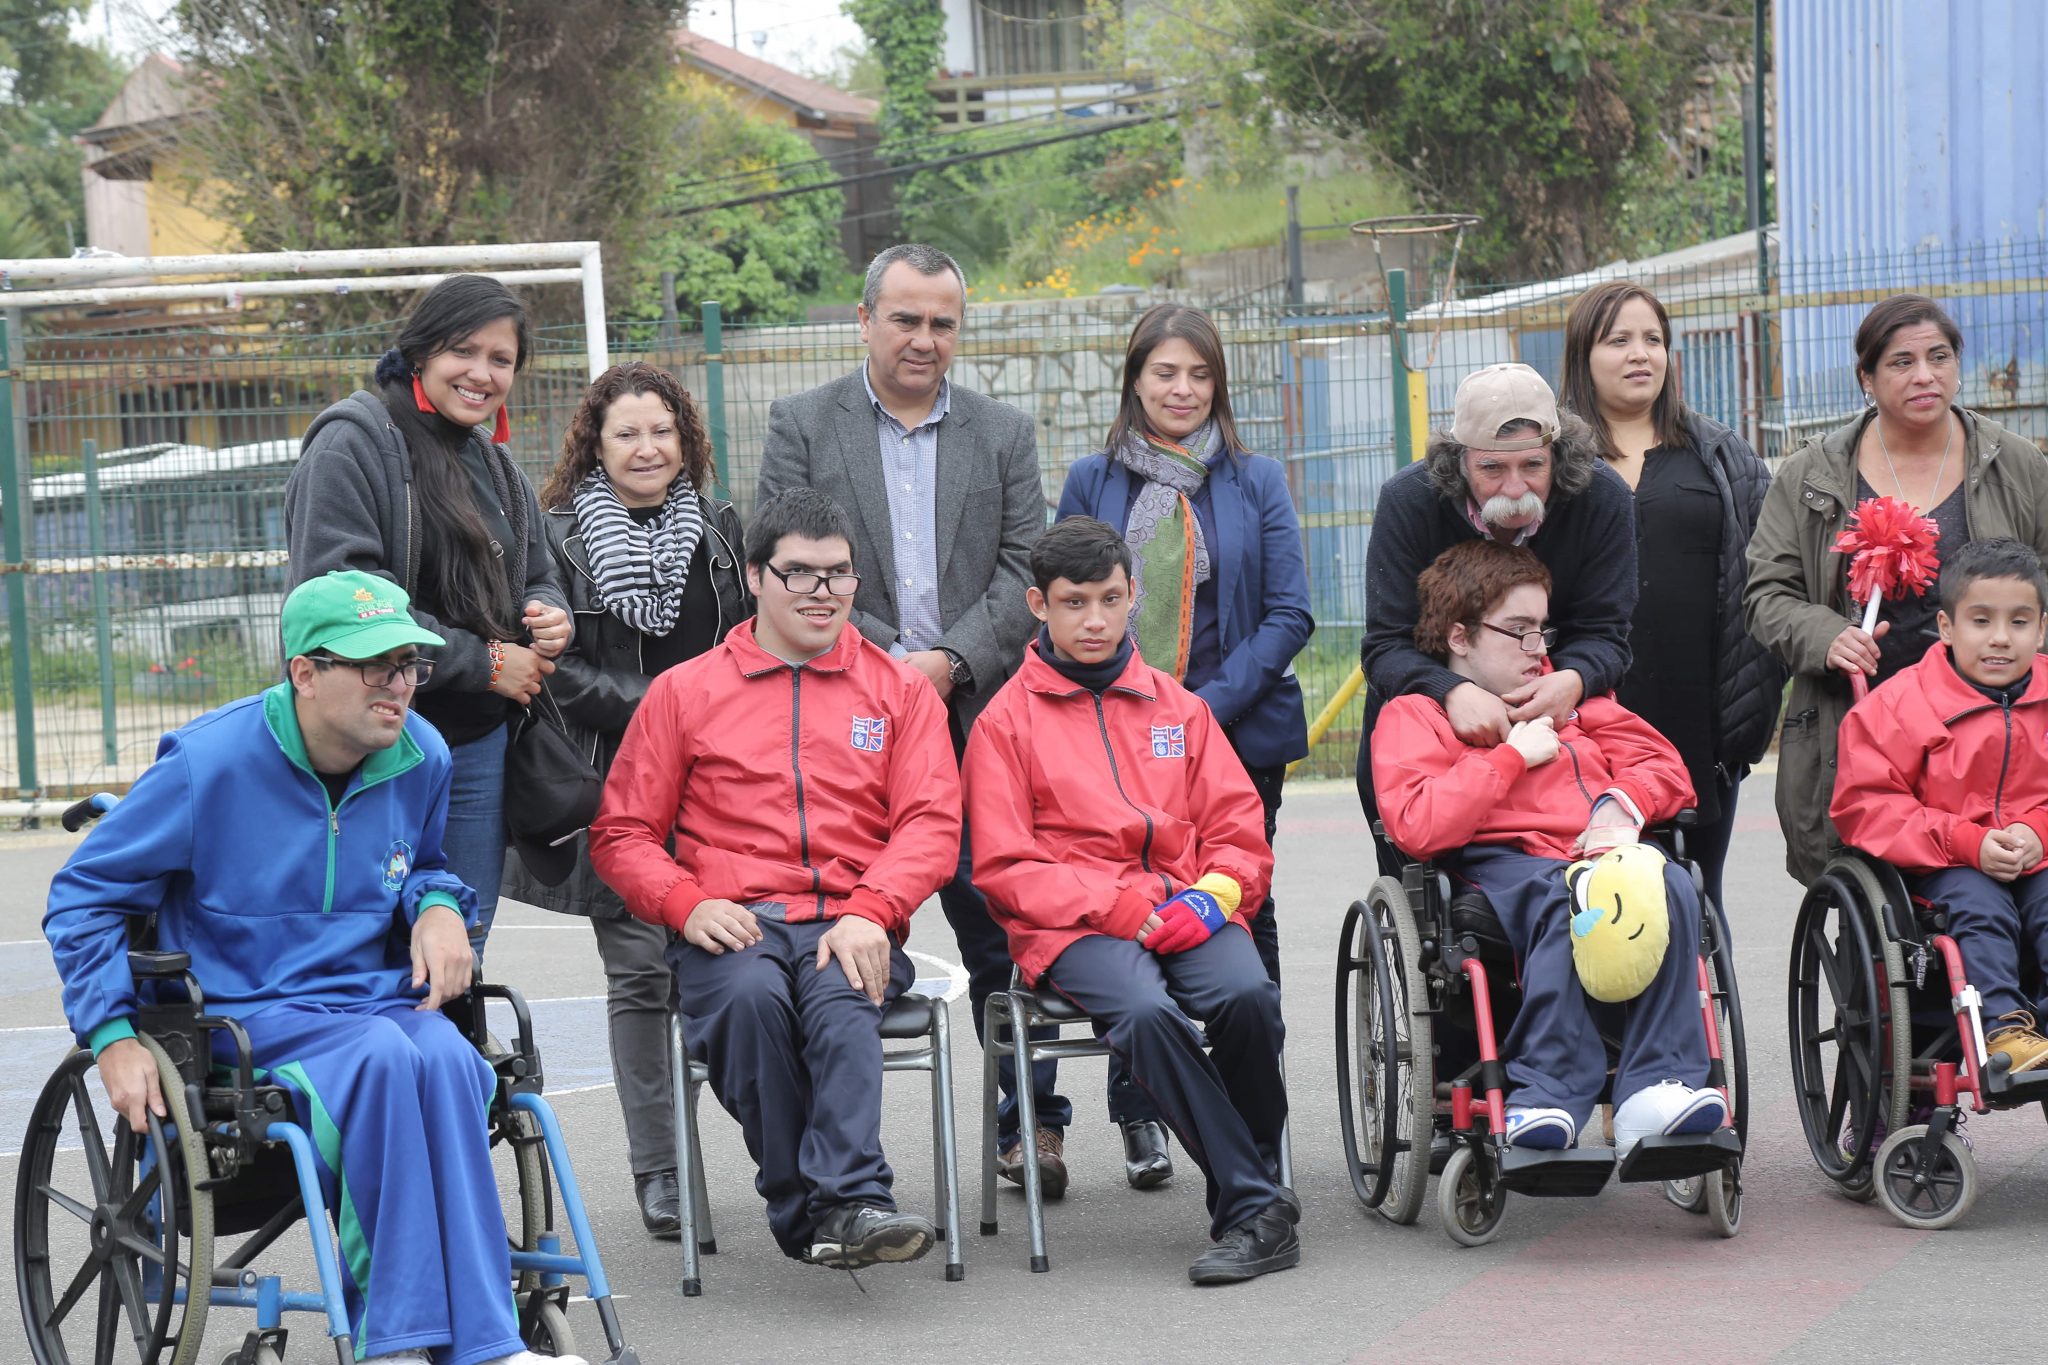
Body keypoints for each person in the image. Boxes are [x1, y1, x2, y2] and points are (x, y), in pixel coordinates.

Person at [43, 570, 580, 1365]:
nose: (398, 685)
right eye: (375, 666)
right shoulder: (207, 763)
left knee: (450, 1059)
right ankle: (397, 1342)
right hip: (245, 1014)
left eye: (408, 664)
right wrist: (112, 1032)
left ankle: (487, 1344)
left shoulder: (423, 755)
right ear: (304, 672)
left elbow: (424, 865)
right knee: (386, 1059)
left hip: (369, 1003)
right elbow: (82, 895)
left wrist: (438, 905)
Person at [756, 243, 1064, 1196]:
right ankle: (827, 1152)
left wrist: (949, 663)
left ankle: (1029, 1124)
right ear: (864, 321)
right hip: (840, 721)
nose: (924, 338)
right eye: (905, 319)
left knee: (1002, 930)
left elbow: (1024, 571)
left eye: (942, 322)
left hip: (978, 719)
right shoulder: (803, 424)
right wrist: (891, 661)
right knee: (837, 931)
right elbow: (782, 558)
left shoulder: (1003, 433)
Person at [588, 489, 961, 1270]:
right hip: (735, 923)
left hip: (850, 918)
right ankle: (821, 1207)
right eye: (800, 573)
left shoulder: (899, 690)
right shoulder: (684, 691)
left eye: (839, 573)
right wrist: (686, 903)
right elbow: (621, 833)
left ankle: (851, 1199)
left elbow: (931, 822)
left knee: (842, 992)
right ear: (755, 576)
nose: (823, 592)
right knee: (751, 999)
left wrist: (874, 909)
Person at [964, 517, 1297, 1285]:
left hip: (1185, 907)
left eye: (1110, 599)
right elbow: (1005, 868)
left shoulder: (1179, 708)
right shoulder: (1004, 723)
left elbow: (1239, 830)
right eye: (1074, 602)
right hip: (1074, 927)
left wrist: (1215, 898)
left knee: (1249, 995)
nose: (1095, 619)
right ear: (1038, 605)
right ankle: (1256, 1203)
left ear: (1133, 595)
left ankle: (1251, 1193)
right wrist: (1115, 905)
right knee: (1146, 1015)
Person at [1055, 303, 1313, 1189]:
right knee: (1129, 902)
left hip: (1233, 730)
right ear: (1135, 379)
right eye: (1165, 372)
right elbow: (1068, 602)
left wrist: (1197, 711)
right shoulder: (1092, 479)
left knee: (1239, 907)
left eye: (1200, 375)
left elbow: (1290, 612)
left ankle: (1253, 1105)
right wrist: (1138, 715)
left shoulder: (1255, 480)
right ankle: (1143, 1109)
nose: (1182, 389)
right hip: (1111, 739)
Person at [502, 362, 750, 1240]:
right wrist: (665, 709)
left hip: (721, 788)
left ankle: (757, 1138)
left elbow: (747, 644)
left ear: (685, 439)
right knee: (642, 976)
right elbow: (554, 668)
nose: (647, 448)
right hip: (615, 786)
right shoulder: (556, 540)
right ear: (595, 446)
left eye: (661, 431)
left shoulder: (720, 531)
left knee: (729, 968)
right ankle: (662, 1169)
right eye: (627, 434)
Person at [1373, 539, 1725, 1152]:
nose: (1539, 649)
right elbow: (1417, 824)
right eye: (1519, 632)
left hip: (1599, 854)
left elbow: (1665, 766)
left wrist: (1621, 803)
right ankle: (1545, 1093)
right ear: (1459, 637)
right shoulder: (1415, 715)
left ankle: (1657, 1087)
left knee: (1671, 882)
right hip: (1499, 865)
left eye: (1542, 630)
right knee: (1570, 900)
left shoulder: (1578, 704)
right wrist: (1509, 759)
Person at [287, 274, 571, 957]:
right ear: (420, 352)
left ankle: (447, 1032)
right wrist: (486, 662)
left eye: (500, 359)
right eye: (462, 351)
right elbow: (347, 601)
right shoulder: (352, 443)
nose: (481, 373)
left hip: (475, 747)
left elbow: (539, 569)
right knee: (362, 947)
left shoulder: (494, 462)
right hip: (367, 741)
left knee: (458, 951)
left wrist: (551, 613)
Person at [1746, 293, 2048, 884]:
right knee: (1879, 909)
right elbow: (1766, 593)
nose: (1924, 375)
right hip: (1865, 724)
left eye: (1939, 357)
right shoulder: (1813, 474)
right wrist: (1827, 636)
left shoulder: (2015, 465)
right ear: (1867, 377)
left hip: (1990, 731)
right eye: (1901, 362)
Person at [1355, 362, 1636, 878]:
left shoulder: (1603, 498)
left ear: (1560, 456)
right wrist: (1450, 691)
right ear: (1459, 462)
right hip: (1429, 732)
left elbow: (1606, 633)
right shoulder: (1409, 501)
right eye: (1491, 468)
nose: (1514, 487)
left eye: (1533, 465)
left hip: (1557, 723)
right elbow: (1386, 646)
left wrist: (1572, 679)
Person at [1557, 280, 1783, 911]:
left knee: (1698, 899)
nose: (1640, 354)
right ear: (1582, 356)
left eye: (1653, 339)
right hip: (1588, 718)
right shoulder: (1552, 463)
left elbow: (1768, 577)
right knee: (1603, 902)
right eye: (1618, 340)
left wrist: (1748, 704)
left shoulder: (1722, 456)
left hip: (1699, 719)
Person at [1830, 538, 2048, 1074]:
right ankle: (2004, 1029)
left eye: (2020, 622)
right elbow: (1867, 806)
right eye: (1981, 621)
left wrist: (2039, 831)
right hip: (1943, 863)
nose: (2001, 638)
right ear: (1947, 627)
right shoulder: (1897, 706)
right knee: (1980, 905)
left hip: (2037, 855)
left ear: (2042, 629)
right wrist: (1968, 841)